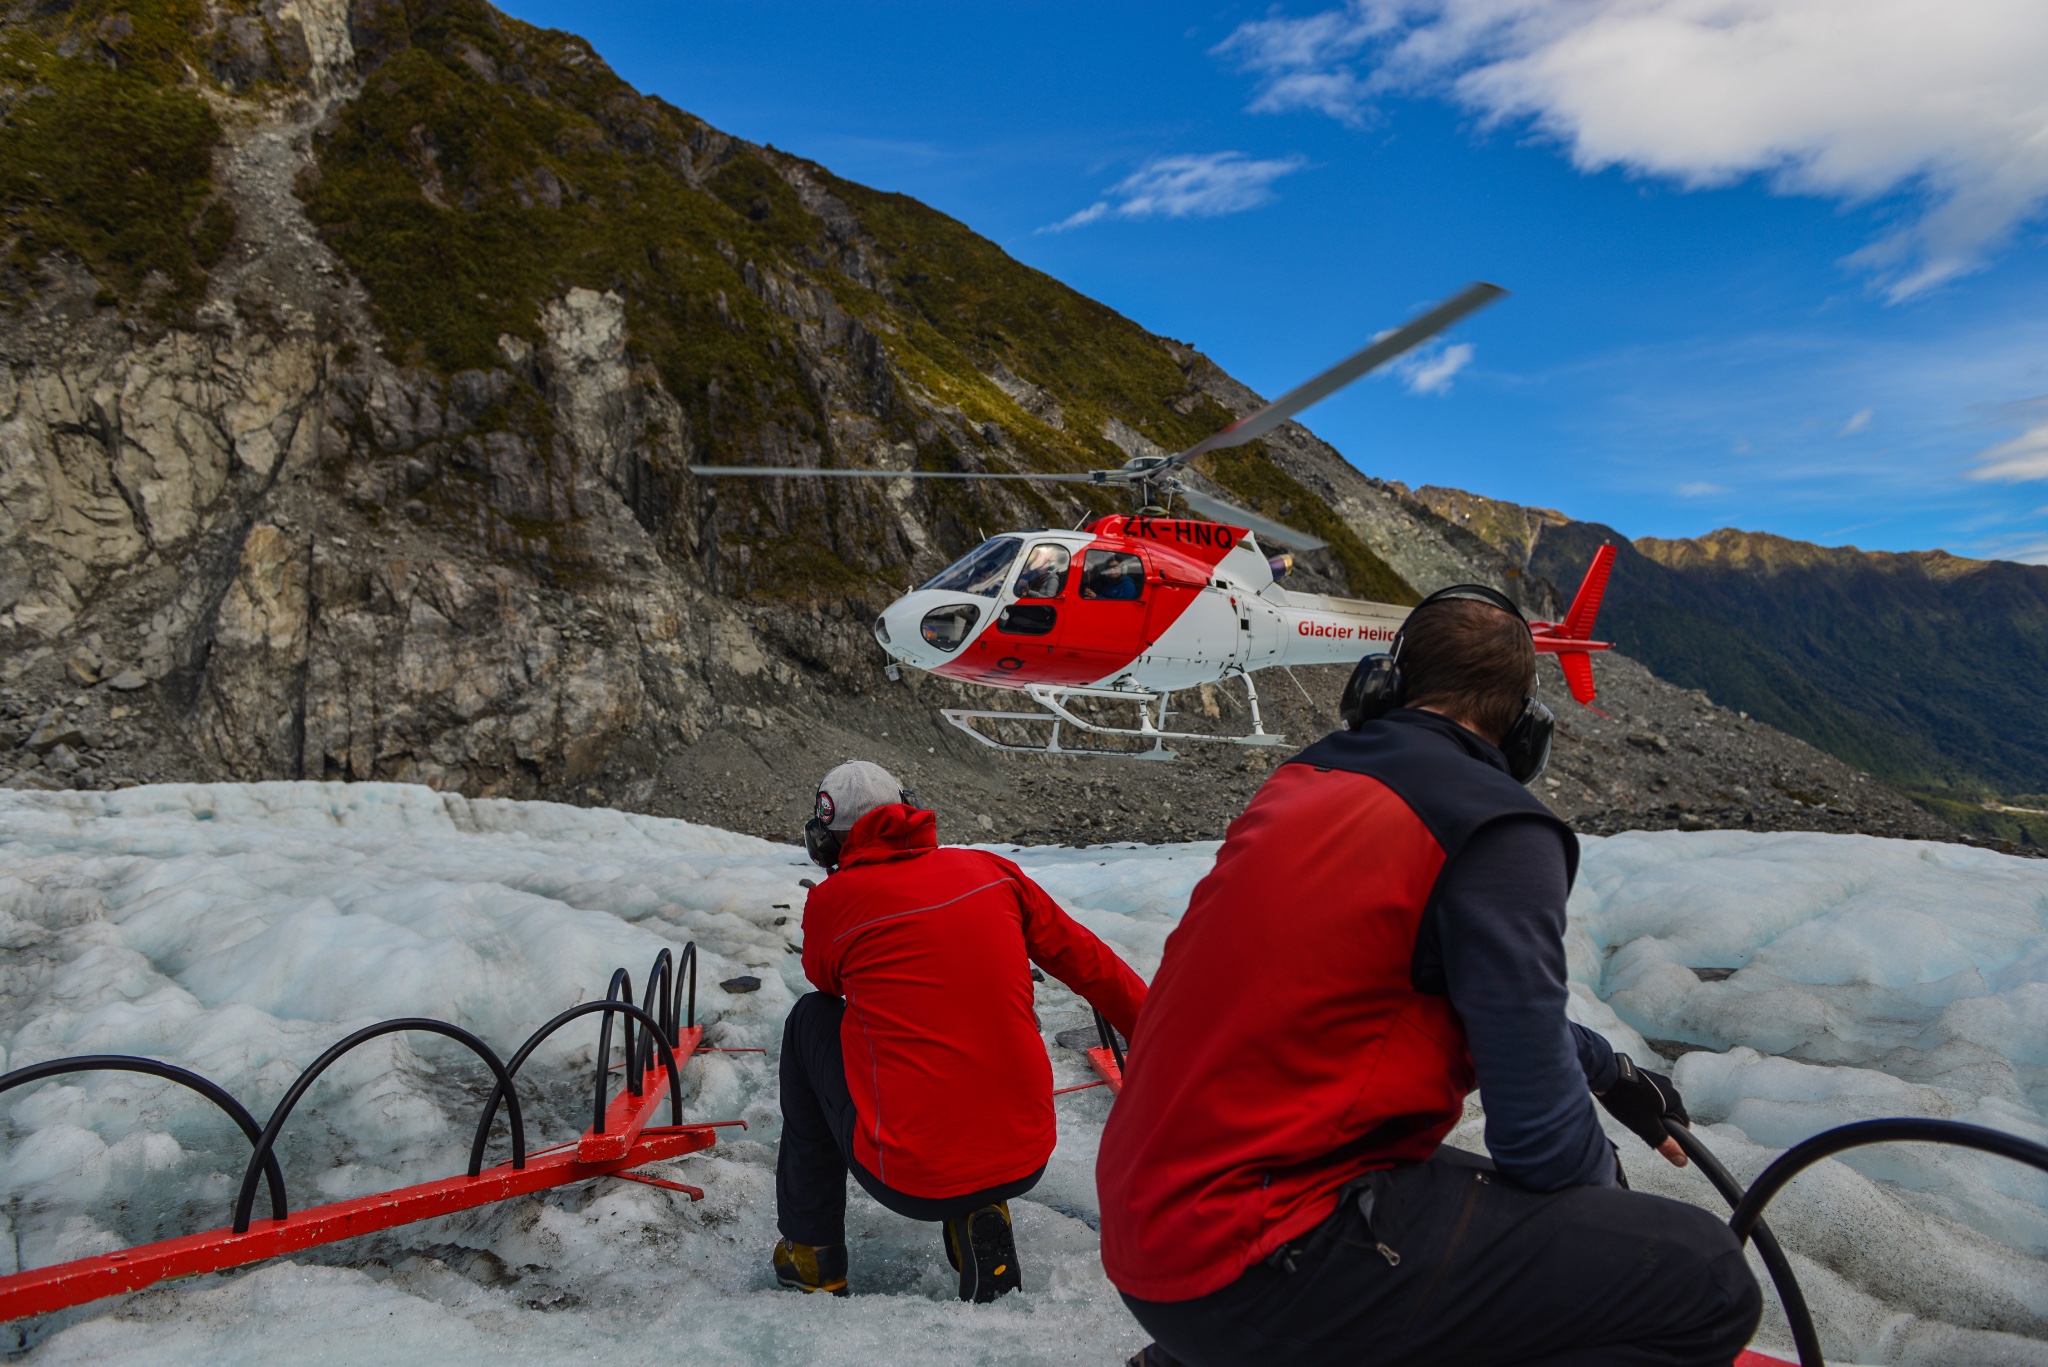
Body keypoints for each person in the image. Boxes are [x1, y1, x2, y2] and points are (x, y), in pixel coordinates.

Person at [1096, 587, 1763, 1367]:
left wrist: (1606, 1068)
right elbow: (1543, 1144)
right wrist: (1603, 1248)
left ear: (1381, 688)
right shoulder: (1496, 825)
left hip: (1153, 1235)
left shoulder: (1302, 786)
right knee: (1706, 1276)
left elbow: (1429, 1001)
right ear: (1525, 730)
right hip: (1253, 1264)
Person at [773, 760, 1148, 1302]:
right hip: (1026, 1155)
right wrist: (1175, 1050)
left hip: (910, 1177)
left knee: (811, 1018)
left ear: (826, 841)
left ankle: (813, 1255)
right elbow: (1096, 968)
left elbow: (824, 980)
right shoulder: (991, 870)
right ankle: (980, 1212)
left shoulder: (834, 902)